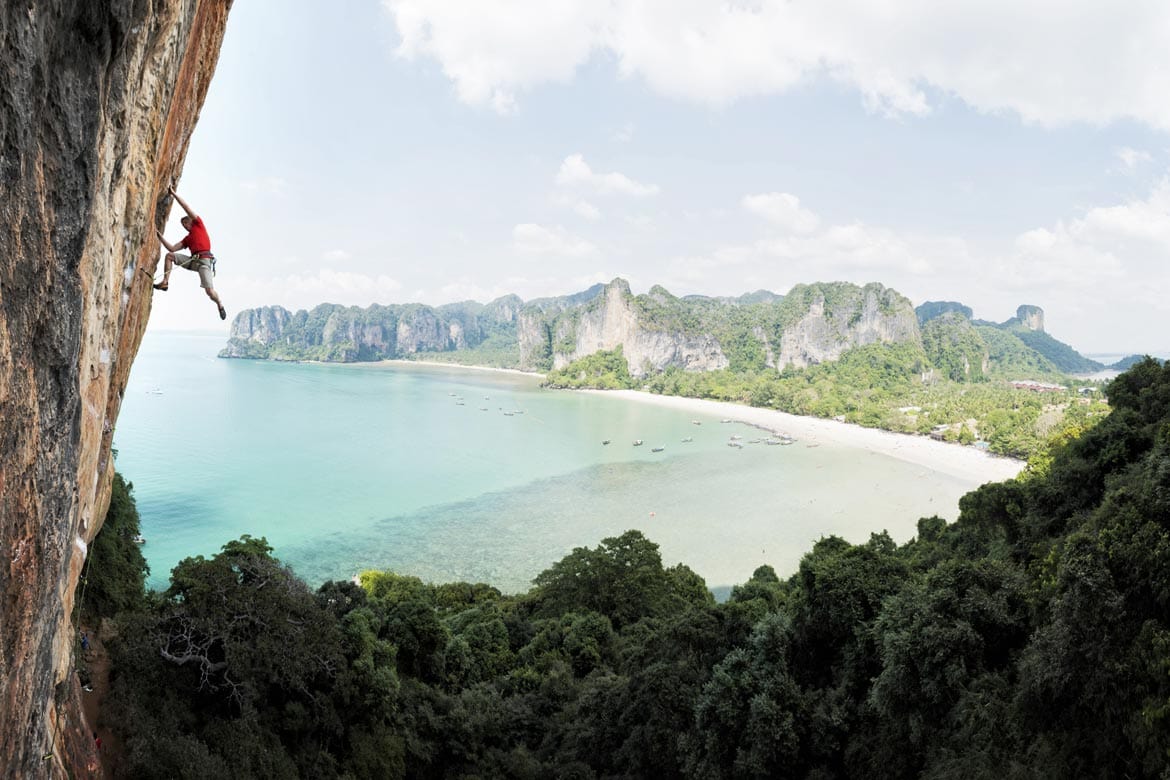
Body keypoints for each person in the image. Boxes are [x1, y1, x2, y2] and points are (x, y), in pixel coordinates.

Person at [155, 185, 227, 320]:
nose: (184, 226)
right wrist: (160, 237)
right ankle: (165, 282)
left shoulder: (198, 224)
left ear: (190, 222)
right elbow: (172, 248)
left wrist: (173, 194)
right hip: (193, 261)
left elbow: (185, 207)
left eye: (185, 223)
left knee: (210, 292)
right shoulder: (187, 238)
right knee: (169, 256)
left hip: (204, 262)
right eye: (183, 225)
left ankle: (220, 304)